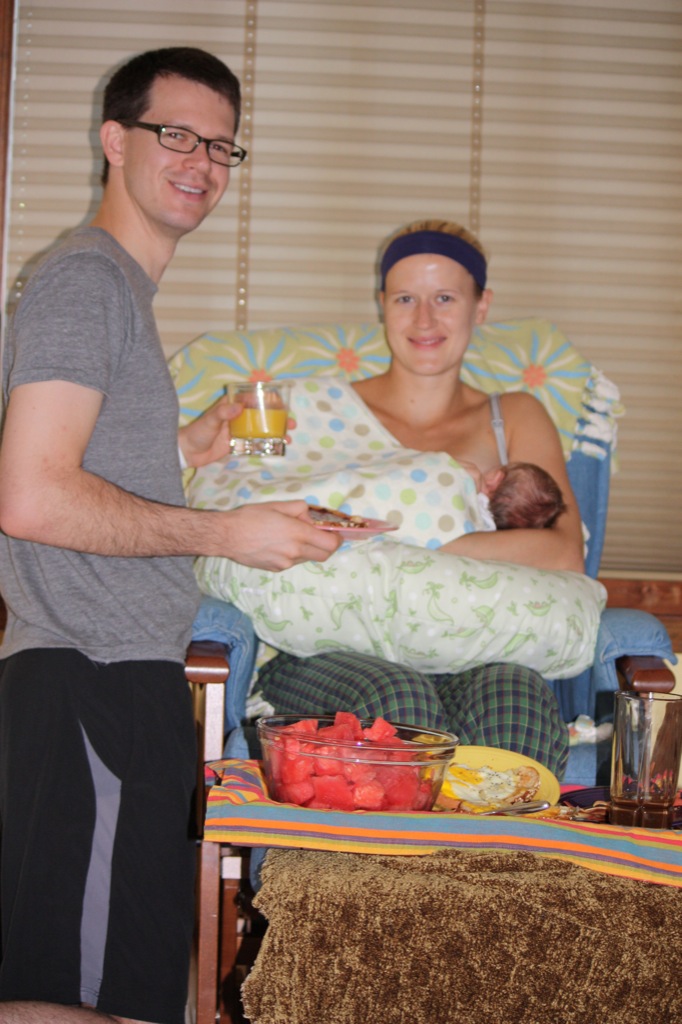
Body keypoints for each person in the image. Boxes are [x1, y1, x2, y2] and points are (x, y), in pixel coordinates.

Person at [0, 47, 339, 1024]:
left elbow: (85, 472)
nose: (202, 161)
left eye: (222, 145)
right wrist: (227, 531)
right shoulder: (85, 282)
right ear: (115, 139)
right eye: (176, 134)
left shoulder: (119, 292)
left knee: (128, 996)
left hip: (123, 682)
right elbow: (31, 497)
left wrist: (188, 444)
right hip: (89, 680)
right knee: (68, 1002)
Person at [246, 219, 585, 781]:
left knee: (518, 700)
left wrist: (418, 554)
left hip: (474, 649)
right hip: (326, 652)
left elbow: (564, 551)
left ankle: (496, 845)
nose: (424, 320)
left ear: (481, 306)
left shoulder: (514, 417)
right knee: (395, 700)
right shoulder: (315, 410)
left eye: (445, 298)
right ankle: (374, 845)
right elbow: (246, 502)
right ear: (382, 304)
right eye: (405, 298)